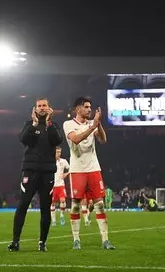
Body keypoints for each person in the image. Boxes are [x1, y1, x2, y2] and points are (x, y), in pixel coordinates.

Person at [8, 98, 64, 252]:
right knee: (22, 205)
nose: (42, 108)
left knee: (45, 208)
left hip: (47, 172)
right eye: (39, 106)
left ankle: (42, 242)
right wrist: (33, 125)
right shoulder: (29, 125)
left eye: (44, 105)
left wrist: (48, 123)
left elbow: (58, 140)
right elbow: (23, 140)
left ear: (49, 108)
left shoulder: (54, 125)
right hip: (30, 170)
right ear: (35, 109)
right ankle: (15, 242)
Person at [63, 97, 115, 250]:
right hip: (77, 170)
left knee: (99, 205)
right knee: (76, 205)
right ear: (77, 109)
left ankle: (105, 240)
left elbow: (103, 140)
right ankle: (76, 239)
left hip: (94, 169)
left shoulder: (91, 124)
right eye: (86, 107)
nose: (89, 109)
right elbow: (76, 139)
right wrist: (93, 126)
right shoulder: (69, 124)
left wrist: (97, 124)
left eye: (90, 107)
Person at [51, 147, 70, 227]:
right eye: (57, 152)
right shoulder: (50, 161)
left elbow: (71, 169)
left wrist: (66, 174)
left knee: (63, 200)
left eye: (60, 152)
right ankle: (54, 220)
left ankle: (62, 216)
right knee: (52, 203)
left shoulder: (63, 161)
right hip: (52, 186)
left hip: (61, 185)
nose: (59, 153)